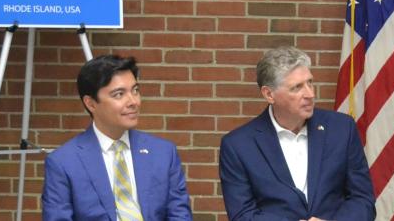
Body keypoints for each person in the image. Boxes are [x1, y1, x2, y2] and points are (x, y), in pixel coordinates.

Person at [219, 46, 375, 221]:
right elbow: (242, 215)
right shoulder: (238, 145)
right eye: (297, 87)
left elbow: (363, 199)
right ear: (269, 94)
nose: (310, 94)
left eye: (310, 82)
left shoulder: (342, 129)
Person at [41, 55, 191, 221]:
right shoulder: (63, 163)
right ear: (91, 103)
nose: (133, 101)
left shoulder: (163, 153)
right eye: (119, 94)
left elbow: (179, 215)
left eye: (135, 90)